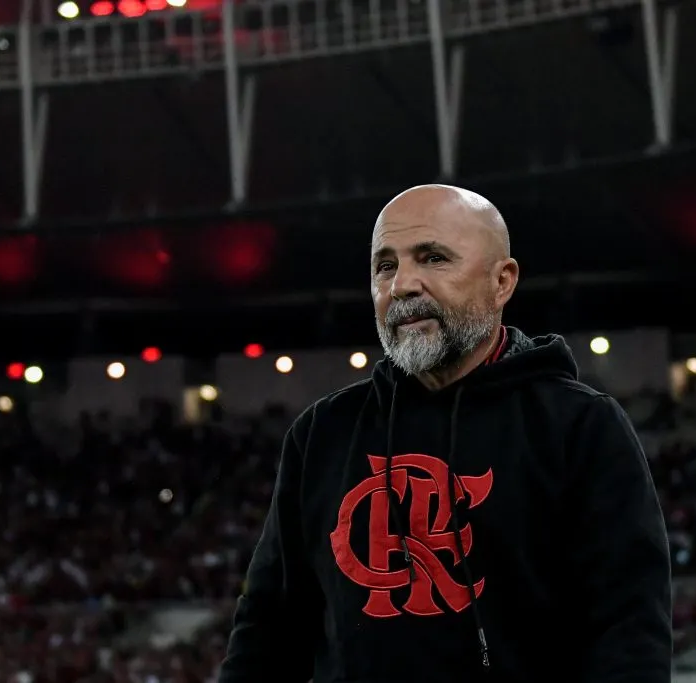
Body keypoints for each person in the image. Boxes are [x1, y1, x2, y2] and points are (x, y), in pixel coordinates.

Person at [218, 185, 672, 683]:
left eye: (433, 258)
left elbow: (630, 631)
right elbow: (268, 631)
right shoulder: (321, 434)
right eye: (385, 266)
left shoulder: (581, 426)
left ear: (502, 282)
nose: (403, 286)